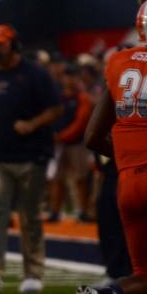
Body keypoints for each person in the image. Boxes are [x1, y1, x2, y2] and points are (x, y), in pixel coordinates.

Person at [75, 0, 147, 294]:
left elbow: (91, 136)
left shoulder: (119, 63)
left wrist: (129, 160)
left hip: (128, 183)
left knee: (146, 278)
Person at [0, 24, 63, 294]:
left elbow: (55, 109)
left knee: (30, 215)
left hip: (30, 154)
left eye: (0, 43)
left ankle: (33, 271)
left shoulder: (35, 75)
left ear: (13, 44)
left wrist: (32, 124)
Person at [46, 65, 93, 223]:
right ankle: (55, 211)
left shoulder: (82, 97)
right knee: (56, 179)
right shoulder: (57, 96)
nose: (70, 79)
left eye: (73, 76)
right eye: (67, 76)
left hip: (76, 143)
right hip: (58, 144)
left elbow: (81, 122)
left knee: (81, 178)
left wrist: (62, 136)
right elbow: (50, 115)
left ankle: (83, 211)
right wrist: (52, 135)